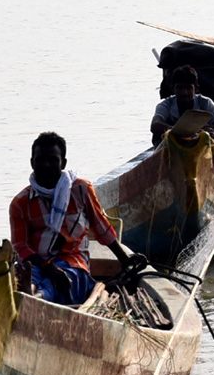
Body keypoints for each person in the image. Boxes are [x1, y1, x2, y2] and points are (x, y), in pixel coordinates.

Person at [10, 131, 144, 305]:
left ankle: (34, 301)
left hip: (72, 261)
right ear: (32, 163)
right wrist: (49, 267)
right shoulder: (20, 203)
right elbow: (21, 247)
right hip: (36, 262)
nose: (46, 165)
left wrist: (125, 260)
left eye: (53, 160)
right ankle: (29, 294)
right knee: (29, 277)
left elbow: (101, 227)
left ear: (63, 163)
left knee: (59, 281)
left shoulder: (80, 190)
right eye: (40, 160)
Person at [151, 65, 214, 145]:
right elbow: (155, 124)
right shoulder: (166, 105)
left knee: (210, 133)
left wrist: (201, 130)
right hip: (173, 145)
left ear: (195, 88)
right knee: (157, 136)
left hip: (199, 144)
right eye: (180, 88)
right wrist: (178, 131)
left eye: (188, 88)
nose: (184, 92)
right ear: (173, 89)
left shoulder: (205, 103)